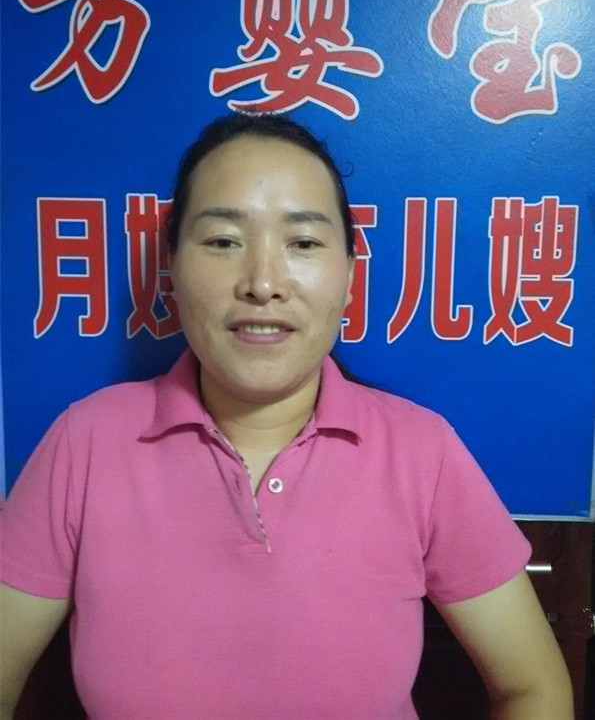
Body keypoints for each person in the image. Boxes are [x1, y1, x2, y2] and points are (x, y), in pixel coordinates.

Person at [1, 113, 572, 719]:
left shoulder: (420, 451)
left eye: (303, 243)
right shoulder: (86, 443)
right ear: (172, 269)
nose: (263, 283)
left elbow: (533, 687)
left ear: (349, 276)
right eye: (223, 241)